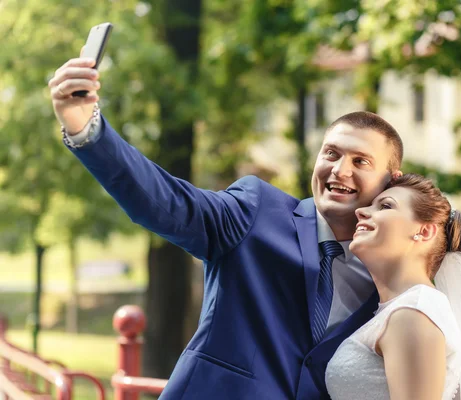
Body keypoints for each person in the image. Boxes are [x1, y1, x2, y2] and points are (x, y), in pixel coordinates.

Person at [48, 56, 403, 399]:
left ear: (391, 180)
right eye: (330, 154)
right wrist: (87, 130)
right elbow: (166, 202)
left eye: (361, 161)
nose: (340, 170)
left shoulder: (392, 276)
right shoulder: (255, 211)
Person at [325, 173, 461, 400]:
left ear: (424, 231)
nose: (361, 211)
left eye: (385, 206)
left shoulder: (414, 312)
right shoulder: (401, 310)